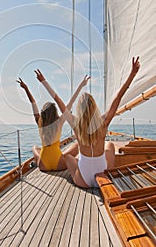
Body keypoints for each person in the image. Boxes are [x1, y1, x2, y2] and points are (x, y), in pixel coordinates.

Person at [35, 57, 140, 187]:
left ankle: (82, 160)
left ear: (79, 109)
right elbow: (118, 97)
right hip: (103, 176)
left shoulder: (75, 124)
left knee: (68, 157)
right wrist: (132, 74)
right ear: (94, 107)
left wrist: (44, 82)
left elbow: (58, 100)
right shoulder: (103, 122)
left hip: (82, 180)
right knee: (110, 146)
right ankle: (109, 173)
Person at [17, 75, 90, 171]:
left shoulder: (39, 123)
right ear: (55, 112)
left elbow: (33, 102)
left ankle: (35, 162)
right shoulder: (59, 122)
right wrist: (81, 85)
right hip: (59, 163)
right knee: (77, 144)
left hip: (43, 165)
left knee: (35, 148)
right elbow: (71, 102)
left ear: (43, 114)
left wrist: (26, 88)